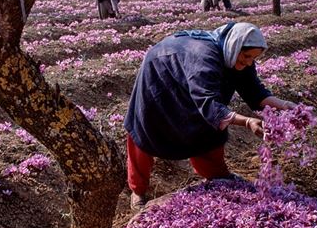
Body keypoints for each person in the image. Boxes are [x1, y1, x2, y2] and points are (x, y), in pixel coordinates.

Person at [123, 22, 296, 210]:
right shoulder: (205, 58)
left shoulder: (236, 54)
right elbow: (209, 104)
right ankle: (138, 190)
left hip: (191, 79)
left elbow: (254, 91)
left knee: (207, 127)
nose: (248, 63)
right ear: (235, 46)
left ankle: (216, 174)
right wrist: (246, 121)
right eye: (246, 56)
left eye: (253, 59)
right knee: (147, 130)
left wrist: (283, 105)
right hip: (160, 75)